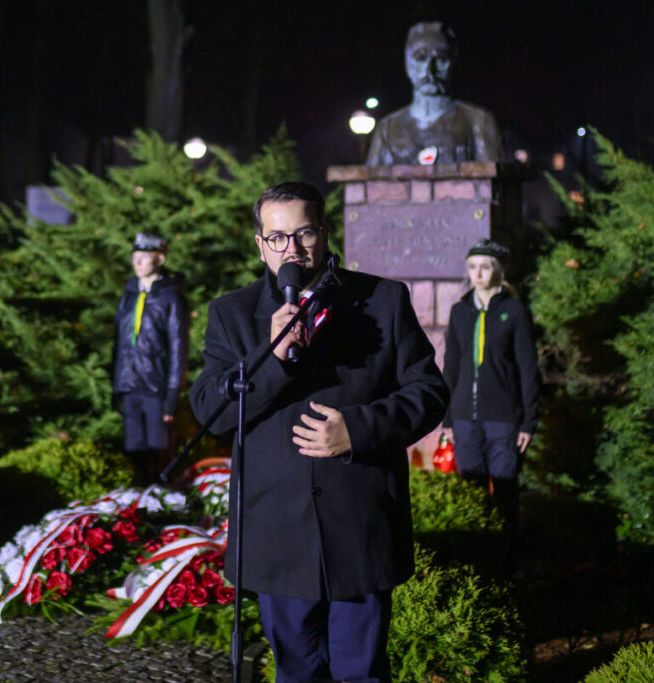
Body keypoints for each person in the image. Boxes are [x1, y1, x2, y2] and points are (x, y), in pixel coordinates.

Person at [190, 181, 448, 682]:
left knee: (361, 671)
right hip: (277, 536)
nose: (292, 249)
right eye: (278, 237)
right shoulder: (232, 314)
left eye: (304, 233)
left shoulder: (383, 299)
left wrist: (359, 429)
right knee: (296, 671)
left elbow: (429, 393)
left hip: (360, 527)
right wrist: (271, 360)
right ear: (260, 244)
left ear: (325, 234)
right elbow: (212, 412)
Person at [442, 238, 539, 538]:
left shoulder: (515, 312)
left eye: (485, 267)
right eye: (472, 267)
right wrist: (446, 419)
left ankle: (508, 558)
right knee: (472, 490)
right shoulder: (460, 312)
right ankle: (479, 555)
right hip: (464, 417)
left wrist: (528, 422)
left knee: (505, 488)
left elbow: (528, 369)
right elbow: (451, 367)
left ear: (499, 271)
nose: (478, 274)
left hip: (503, 418)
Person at [366, 22, 502, 165]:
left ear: (452, 61)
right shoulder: (387, 130)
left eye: (441, 59)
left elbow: (494, 182)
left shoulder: (478, 123)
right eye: (420, 58)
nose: (429, 70)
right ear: (407, 61)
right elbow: (368, 183)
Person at [112, 233, 188, 485]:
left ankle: (164, 504)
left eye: (144, 257)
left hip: (155, 387)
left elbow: (178, 347)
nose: (138, 263)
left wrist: (171, 395)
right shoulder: (129, 292)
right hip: (129, 384)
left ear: (160, 258)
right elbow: (119, 342)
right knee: (134, 452)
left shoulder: (170, 296)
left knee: (159, 452)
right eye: (135, 257)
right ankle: (138, 506)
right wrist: (116, 385)